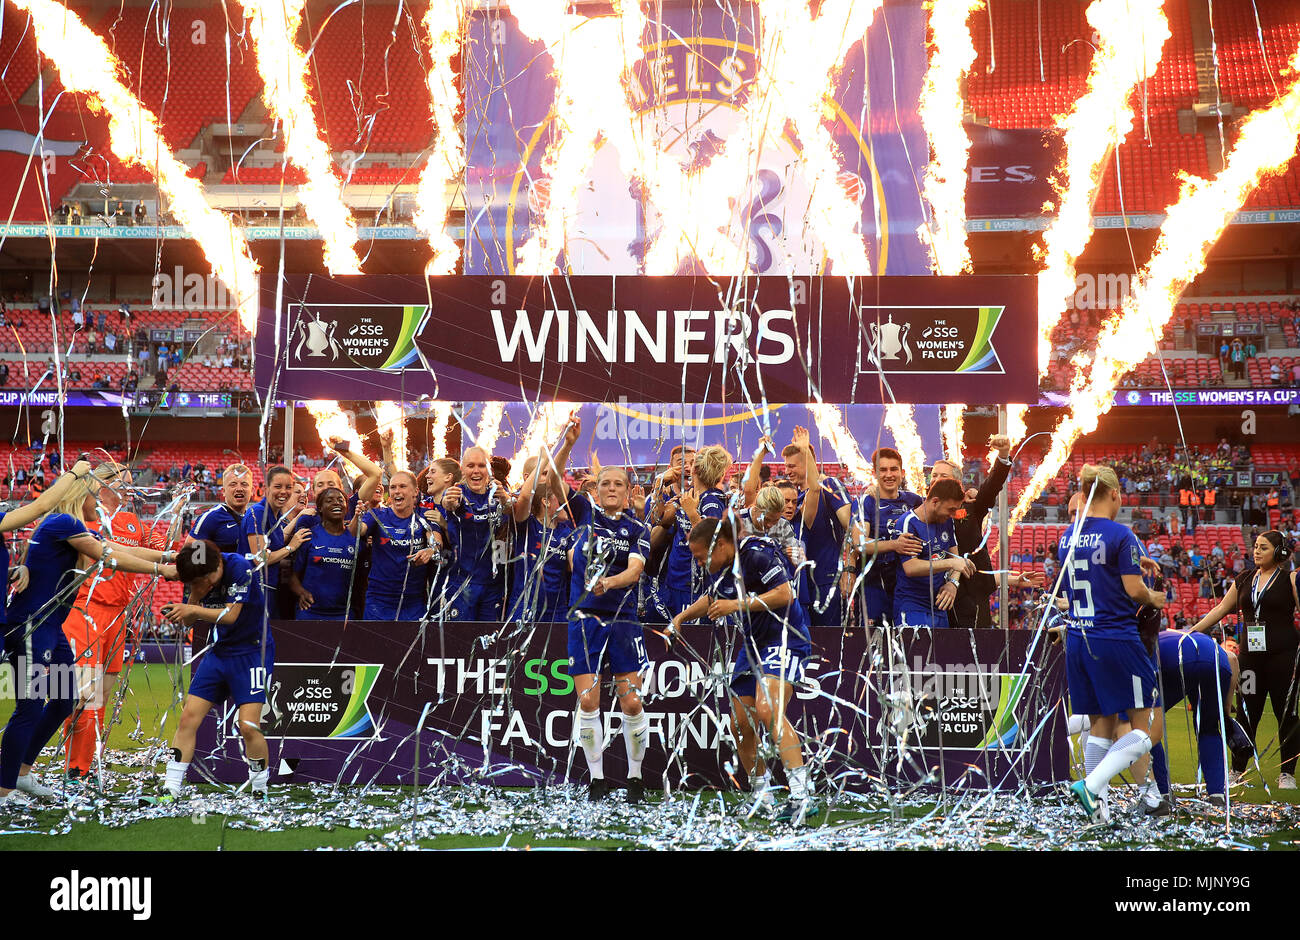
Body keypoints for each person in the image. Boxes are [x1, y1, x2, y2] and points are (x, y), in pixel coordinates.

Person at [1, 464, 178, 805]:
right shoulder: (63, 523)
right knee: (30, 707)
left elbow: (120, 548)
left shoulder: (70, 526)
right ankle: (4, 788)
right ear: (81, 493)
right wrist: (162, 569)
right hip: (32, 626)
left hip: (51, 629)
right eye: (95, 494)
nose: (99, 502)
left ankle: (21, 772)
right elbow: (110, 558)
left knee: (64, 700)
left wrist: (169, 557)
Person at [677, 517, 818, 823]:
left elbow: (784, 594)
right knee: (740, 724)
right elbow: (712, 597)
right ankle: (762, 797)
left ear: (720, 546)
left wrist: (736, 605)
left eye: (701, 557)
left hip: (785, 638)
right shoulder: (722, 568)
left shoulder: (756, 553)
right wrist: (681, 618)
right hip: (752, 646)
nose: (700, 564)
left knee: (768, 711)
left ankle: (801, 796)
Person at [1061, 464, 1166, 824]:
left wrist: (1134, 560)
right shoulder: (1120, 534)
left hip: (1079, 639)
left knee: (1100, 725)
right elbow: (1134, 590)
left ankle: (1098, 814)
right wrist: (1155, 597)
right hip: (1116, 639)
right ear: (1115, 494)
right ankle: (1091, 786)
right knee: (1148, 728)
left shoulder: (1068, 535)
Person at [61, 463, 177, 781]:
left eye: (131, 483)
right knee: (83, 696)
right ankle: (73, 767)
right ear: (104, 484)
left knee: (102, 696)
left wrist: (177, 512)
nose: (130, 489)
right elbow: (119, 552)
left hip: (117, 616)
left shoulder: (131, 521)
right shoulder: (83, 519)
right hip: (85, 612)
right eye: (124, 482)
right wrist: (162, 564)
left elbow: (160, 545)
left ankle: (87, 766)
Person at [157, 540, 271, 801]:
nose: (206, 583)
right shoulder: (198, 576)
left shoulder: (239, 567)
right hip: (219, 652)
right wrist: (193, 597)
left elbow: (230, 616)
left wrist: (193, 608)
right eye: (197, 581)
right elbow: (188, 622)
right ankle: (171, 787)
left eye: (206, 579)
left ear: (218, 564)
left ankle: (260, 789)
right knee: (188, 718)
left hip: (252, 652)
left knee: (248, 726)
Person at [564, 465, 651, 802]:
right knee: (588, 700)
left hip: (623, 620)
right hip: (584, 618)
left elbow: (635, 571)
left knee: (632, 702)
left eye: (618, 484)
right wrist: (568, 443)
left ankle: (635, 778)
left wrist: (609, 583)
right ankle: (597, 779)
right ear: (596, 489)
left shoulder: (637, 529)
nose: (611, 488)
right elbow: (554, 480)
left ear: (628, 491)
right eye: (605, 483)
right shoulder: (583, 515)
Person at [1191, 530, 1299, 789]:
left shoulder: (1291, 579)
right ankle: (1237, 769)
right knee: (1246, 713)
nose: (1257, 551)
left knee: (1286, 714)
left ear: (1279, 552)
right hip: (1250, 657)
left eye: (1264, 547)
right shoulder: (1244, 579)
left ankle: (1287, 774)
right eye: (1256, 546)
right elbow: (1221, 609)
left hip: (1283, 656)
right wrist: (1191, 632)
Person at [928, 435, 1042, 627]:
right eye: (934, 475)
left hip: (971, 601)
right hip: (934, 600)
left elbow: (991, 487)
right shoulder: (920, 511)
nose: (937, 480)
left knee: (975, 645)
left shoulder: (972, 507)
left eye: (943, 476)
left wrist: (1003, 455)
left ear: (958, 483)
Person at [1137, 630, 1252, 813]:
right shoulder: (1199, 640)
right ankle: (1217, 794)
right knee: (1209, 728)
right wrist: (1225, 711)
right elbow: (1232, 658)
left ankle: (1162, 793)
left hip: (1177, 662)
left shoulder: (1149, 639)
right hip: (1216, 662)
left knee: (1146, 726)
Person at [783, 426, 852, 625]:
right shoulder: (793, 499)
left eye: (792, 466)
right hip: (802, 585)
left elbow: (852, 527)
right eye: (786, 466)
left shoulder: (829, 485)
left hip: (826, 580)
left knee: (828, 637)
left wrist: (849, 569)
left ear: (808, 463)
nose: (787, 471)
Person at [848, 447, 924, 627]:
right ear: (874, 474)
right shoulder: (865, 502)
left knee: (908, 639)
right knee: (874, 640)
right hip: (874, 584)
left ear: (902, 472)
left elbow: (941, 507)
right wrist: (895, 545)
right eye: (883, 470)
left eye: (893, 469)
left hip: (908, 586)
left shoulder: (915, 501)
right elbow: (859, 543)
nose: (889, 475)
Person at [506, 435, 576, 624]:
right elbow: (525, 497)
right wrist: (545, 457)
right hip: (524, 608)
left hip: (558, 612)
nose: (551, 480)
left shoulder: (566, 530)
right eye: (545, 474)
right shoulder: (526, 523)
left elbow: (575, 563)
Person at [889, 478, 973, 628]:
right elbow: (911, 567)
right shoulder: (909, 523)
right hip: (912, 606)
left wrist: (952, 584)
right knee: (917, 645)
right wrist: (951, 563)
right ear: (935, 502)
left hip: (939, 606)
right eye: (951, 509)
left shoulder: (946, 521)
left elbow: (956, 557)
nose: (953, 514)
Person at [360, 470, 442, 620]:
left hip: (413, 604)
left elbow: (436, 542)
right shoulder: (377, 515)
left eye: (403, 486)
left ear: (415, 491)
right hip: (378, 603)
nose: (397, 491)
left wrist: (430, 550)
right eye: (393, 487)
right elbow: (359, 531)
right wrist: (356, 518)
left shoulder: (425, 515)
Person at [441, 446, 510, 621]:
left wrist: (506, 501)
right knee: (461, 637)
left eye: (481, 465)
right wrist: (448, 502)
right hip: (462, 584)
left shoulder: (499, 495)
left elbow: (515, 514)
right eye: (470, 466)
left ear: (489, 469)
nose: (476, 471)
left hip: (494, 586)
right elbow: (448, 502)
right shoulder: (457, 493)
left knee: (490, 637)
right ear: (463, 469)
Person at [240, 465, 310, 617]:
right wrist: (291, 547)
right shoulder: (258, 513)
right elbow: (259, 558)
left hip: (269, 589)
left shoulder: (275, 515)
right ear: (266, 489)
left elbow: (274, 545)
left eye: (288, 487)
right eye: (278, 486)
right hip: (256, 589)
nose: (284, 491)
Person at [287, 487, 363, 620]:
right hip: (310, 612)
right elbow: (292, 577)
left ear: (346, 508)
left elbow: (362, 581)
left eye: (340, 500)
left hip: (343, 615)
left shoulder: (355, 541)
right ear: (320, 508)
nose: (336, 503)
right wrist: (301, 592)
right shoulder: (308, 537)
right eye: (329, 500)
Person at [189, 464, 254, 551]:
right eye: (233, 484)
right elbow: (189, 555)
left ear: (252, 491)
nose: (239, 489)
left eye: (244, 484)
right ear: (223, 491)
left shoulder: (255, 518)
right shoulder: (210, 518)